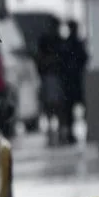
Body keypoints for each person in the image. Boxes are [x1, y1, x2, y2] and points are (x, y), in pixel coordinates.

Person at [36, 17, 66, 145]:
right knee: (55, 105)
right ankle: (55, 129)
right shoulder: (55, 41)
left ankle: (53, 129)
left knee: (52, 105)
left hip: (50, 76)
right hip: (52, 76)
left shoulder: (50, 40)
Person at [61, 20, 89, 144]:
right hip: (74, 80)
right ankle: (73, 134)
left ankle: (72, 134)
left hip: (71, 80)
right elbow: (84, 58)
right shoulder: (74, 44)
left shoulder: (69, 44)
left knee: (71, 110)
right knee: (78, 108)